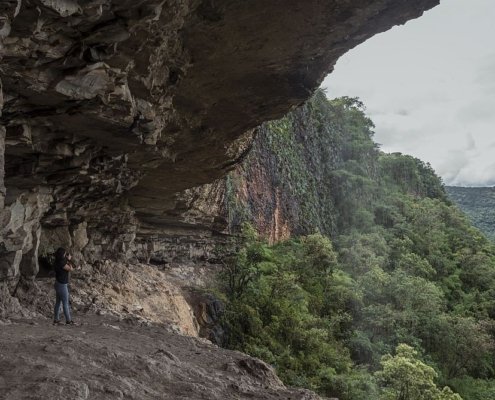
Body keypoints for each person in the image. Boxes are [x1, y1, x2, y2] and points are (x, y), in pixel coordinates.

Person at [53, 247, 75, 325]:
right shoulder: (62, 262)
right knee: (65, 303)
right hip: (62, 285)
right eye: (65, 254)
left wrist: (66, 259)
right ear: (63, 254)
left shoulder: (57, 261)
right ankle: (68, 320)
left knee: (58, 303)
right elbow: (70, 269)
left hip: (57, 283)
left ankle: (56, 319)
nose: (66, 255)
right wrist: (68, 260)